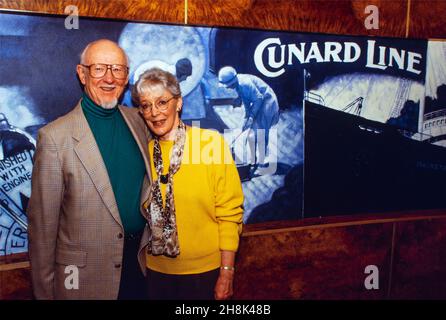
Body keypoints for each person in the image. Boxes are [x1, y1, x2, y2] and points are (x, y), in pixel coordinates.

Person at [27, 39, 151, 300]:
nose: (109, 78)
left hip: (141, 267)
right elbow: (42, 231)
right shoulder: (54, 138)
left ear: (127, 77)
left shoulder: (139, 122)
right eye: (99, 69)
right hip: (84, 280)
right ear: (82, 74)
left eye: (118, 69)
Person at [132, 67, 244, 300]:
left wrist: (227, 271)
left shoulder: (210, 144)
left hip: (205, 273)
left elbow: (230, 213)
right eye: (146, 105)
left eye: (162, 102)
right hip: (155, 272)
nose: (154, 112)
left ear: (179, 103)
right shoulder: (143, 152)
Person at [218, 66, 279, 175]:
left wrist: (251, 117)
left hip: (267, 102)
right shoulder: (238, 85)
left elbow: (258, 99)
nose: (227, 88)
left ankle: (261, 165)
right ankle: (254, 162)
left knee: (259, 133)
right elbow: (247, 103)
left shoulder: (244, 83)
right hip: (260, 102)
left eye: (228, 86)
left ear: (232, 82)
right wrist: (246, 119)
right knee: (252, 133)